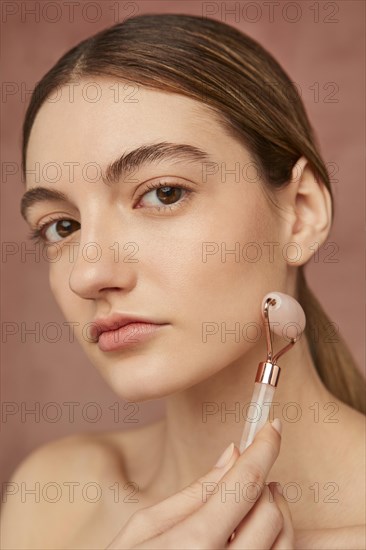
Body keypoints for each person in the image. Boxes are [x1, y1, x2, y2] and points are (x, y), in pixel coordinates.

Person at [1, 13, 365, 549]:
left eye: (163, 193)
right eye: (63, 226)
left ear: (302, 213)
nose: (89, 273)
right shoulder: (56, 494)